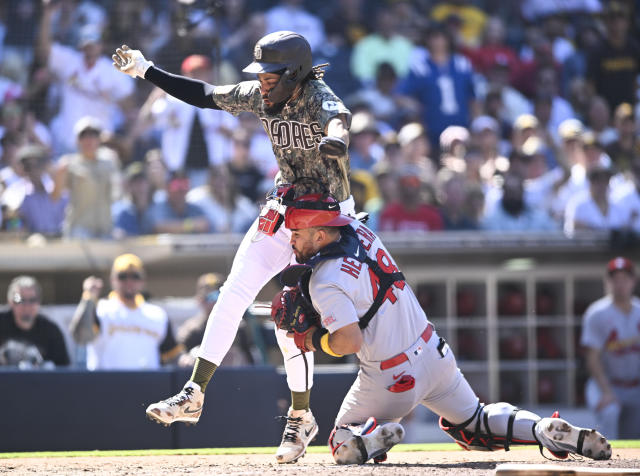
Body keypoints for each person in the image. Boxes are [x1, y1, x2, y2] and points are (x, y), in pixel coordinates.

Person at [112, 30, 355, 463]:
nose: (263, 80)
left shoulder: (316, 95)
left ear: (295, 72)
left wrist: (335, 138)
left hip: (327, 219)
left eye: (271, 73)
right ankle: (195, 391)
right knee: (233, 293)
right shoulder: (263, 94)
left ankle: (302, 417)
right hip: (285, 207)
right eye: (259, 72)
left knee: (291, 320)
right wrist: (146, 69)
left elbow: (340, 117)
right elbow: (205, 94)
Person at [279, 193, 612, 464]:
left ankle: (369, 440)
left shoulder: (324, 280)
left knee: (340, 439)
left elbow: (349, 342)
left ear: (320, 234)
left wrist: (310, 339)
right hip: (435, 353)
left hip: (390, 376)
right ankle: (540, 428)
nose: (291, 240)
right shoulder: (360, 230)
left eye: (296, 233)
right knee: (475, 425)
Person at [69, 253, 183, 370]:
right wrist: (88, 298)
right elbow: (80, 337)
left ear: (143, 280)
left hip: (147, 385)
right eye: (122, 276)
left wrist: (189, 359)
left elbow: (171, 354)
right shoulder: (100, 309)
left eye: (135, 276)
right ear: (113, 280)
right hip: (106, 385)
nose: (129, 281)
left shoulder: (158, 315)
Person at [580, 257, 640, 439]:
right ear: (607, 282)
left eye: (624, 279)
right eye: (615, 279)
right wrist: (606, 392)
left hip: (635, 385)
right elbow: (592, 358)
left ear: (633, 281)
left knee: (633, 436)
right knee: (610, 411)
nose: (620, 284)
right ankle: (607, 463)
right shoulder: (597, 313)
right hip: (606, 383)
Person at [0, 275, 69, 367]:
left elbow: (63, 370)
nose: (27, 306)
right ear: (10, 301)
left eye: (32, 300)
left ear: (39, 302)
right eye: (20, 300)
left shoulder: (51, 331)